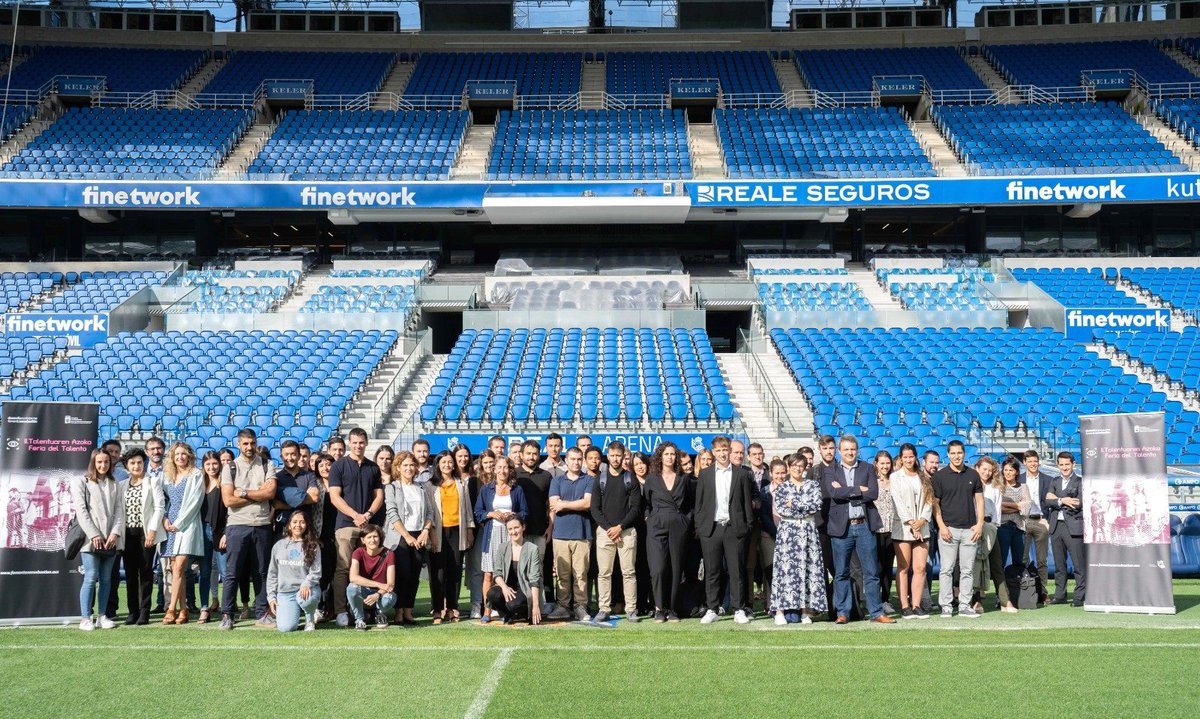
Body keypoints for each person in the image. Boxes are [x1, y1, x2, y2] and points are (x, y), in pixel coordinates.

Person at [823, 435, 893, 625]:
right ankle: (843, 612)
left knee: (871, 572)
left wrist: (846, 489)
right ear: (839, 451)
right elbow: (834, 493)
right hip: (842, 528)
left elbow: (873, 493)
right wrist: (858, 489)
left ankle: (876, 612)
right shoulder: (831, 470)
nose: (850, 452)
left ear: (857, 450)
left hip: (864, 526)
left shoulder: (867, 468)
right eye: (846, 449)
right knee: (841, 573)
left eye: (852, 449)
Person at [219, 429, 277, 630]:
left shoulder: (267, 464)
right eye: (245, 443)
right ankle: (227, 615)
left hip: (262, 524)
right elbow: (228, 500)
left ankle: (261, 613)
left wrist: (243, 492)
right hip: (237, 525)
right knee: (232, 573)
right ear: (238, 444)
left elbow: (270, 493)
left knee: (261, 572)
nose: (249, 447)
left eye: (252, 443)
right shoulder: (230, 467)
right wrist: (258, 494)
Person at [327, 428, 383, 627]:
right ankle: (341, 611)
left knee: (370, 568)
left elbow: (379, 496)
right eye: (355, 442)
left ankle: (366, 610)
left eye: (361, 442)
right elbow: (335, 497)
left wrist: (367, 515)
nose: (358, 446)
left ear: (366, 443)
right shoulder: (338, 466)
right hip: (345, 526)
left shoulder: (373, 468)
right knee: (343, 568)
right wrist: (355, 516)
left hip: (368, 526)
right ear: (349, 443)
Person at [695, 436, 754, 625]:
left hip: (734, 528)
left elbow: (746, 504)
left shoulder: (741, 474)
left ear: (729, 451)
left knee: (737, 571)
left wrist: (747, 526)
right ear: (713, 452)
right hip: (711, 529)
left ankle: (738, 609)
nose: (722, 453)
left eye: (724, 450)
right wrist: (700, 528)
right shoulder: (705, 474)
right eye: (718, 450)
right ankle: (712, 608)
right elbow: (700, 504)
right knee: (712, 571)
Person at [771, 454, 826, 625]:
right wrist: (803, 505)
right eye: (794, 465)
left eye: (801, 465)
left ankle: (804, 611)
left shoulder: (812, 485)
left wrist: (793, 503)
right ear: (788, 467)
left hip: (808, 532)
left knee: (807, 570)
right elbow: (782, 509)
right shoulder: (782, 487)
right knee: (784, 571)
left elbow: (816, 506)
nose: (797, 469)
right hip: (788, 533)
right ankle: (780, 611)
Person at [932, 440, 984, 618]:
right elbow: (935, 505)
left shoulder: (973, 474)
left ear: (964, 454)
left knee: (967, 570)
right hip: (948, 530)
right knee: (946, 569)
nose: (956, 456)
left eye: (959, 453)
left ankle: (964, 605)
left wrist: (979, 524)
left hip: (970, 531)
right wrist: (942, 526)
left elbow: (979, 501)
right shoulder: (939, 476)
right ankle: (946, 606)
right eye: (953, 453)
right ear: (948, 455)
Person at [590, 441, 641, 623]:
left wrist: (620, 527)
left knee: (628, 572)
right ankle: (604, 608)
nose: (615, 459)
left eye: (618, 455)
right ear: (608, 456)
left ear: (623, 456)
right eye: (612, 456)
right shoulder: (600, 479)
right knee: (604, 573)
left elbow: (635, 508)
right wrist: (609, 528)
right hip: (605, 532)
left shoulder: (630, 479)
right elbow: (595, 509)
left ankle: (631, 609)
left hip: (626, 532)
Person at [74, 449, 125, 631]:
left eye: (106, 462)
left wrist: (115, 533)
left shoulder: (114, 483)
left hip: (110, 539)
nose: (103, 465)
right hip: (90, 540)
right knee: (90, 577)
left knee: (106, 579)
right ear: (93, 463)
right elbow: (81, 512)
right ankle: (85, 618)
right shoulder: (82, 481)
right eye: (99, 462)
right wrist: (94, 534)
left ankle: (102, 616)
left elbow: (119, 510)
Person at [643, 442, 692, 623]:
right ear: (660, 457)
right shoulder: (652, 478)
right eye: (666, 454)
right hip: (656, 526)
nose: (670, 457)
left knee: (676, 568)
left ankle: (672, 609)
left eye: (672, 454)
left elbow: (691, 504)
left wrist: (686, 521)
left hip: (678, 526)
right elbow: (646, 503)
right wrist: (649, 518)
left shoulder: (683, 478)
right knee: (658, 568)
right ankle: (658, 608)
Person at [385, 451, 434, 626]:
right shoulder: (392, 487)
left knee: (414, 575)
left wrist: (425, 531)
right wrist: (406, 536)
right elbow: (392, 513)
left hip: (419, 534)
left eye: (412, 465)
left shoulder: (421, 487)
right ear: (398, 467)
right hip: (400, 536)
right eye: (405, 465)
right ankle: (398, 611)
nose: (409, 468)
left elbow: (430, 512)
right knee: (402, 574)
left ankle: (408, 610)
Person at [475, 456, 525, 623]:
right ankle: (487, 611)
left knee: (509, 574)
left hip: (511, 536)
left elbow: (525, 512)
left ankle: (506, 611)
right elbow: (478, 512)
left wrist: (513, 515)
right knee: (488, 575)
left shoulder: (517, 489)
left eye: (505, 468)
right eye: (499, 467)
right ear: (494, 469)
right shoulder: (486, 489)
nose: (502, 471)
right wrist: (491, 514)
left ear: (510, 470)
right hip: (492, 535)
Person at [160, 442, 204, 625]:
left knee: (179, 568)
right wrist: (164, 519)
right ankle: (183, 609)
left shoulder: (196, 474)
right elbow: (162, 500)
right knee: (175, 570)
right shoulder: (167, 476)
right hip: (169, 525)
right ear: (172, 457)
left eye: (184, 454)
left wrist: (179, 524)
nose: (180, 457)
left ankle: (171, 609)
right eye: (177, 454)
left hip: (186, 525)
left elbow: (195, 502)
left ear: (189, 456)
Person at [547, 447, 593, 621]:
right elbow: (554, 504)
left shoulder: (589, 480)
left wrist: (564, 504)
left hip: (582, 534)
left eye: (579, 459)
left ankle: (580, 606)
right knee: (562, 575)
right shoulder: (557, 481)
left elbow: (587, 503)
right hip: (560, 534)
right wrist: (575, 504)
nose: (576, 462)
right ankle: (563, 606)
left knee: (580, 574)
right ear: (566, 461)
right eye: (572, 459)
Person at [430, 449, 474, 623]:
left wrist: (469, 530)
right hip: (438, 532)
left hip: (458, 531)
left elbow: (467, 509)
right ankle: (437, 609)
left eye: (450, 462)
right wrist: (432, 533)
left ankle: (452, 607)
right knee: (438, 573)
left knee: (455, 571)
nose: (447, 465)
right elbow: (428, 512)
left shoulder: (460, 483)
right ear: (438, 465)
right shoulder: (430, 485)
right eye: (443, 462)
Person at [890, 444, 932, 619]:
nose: (908, 460)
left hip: (922, 527)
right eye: (905, 457)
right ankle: (905, 606)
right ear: (901, 458)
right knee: (904, 567)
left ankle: (916, 605)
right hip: (903, 527)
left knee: (920, 568)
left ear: (915, 457)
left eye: (911, 456)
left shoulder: (923, 477)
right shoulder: (895, 477)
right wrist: (911, 523)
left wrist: (921, 520)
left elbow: (929, 500)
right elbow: (898, 502)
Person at [119, 448, 160, 625]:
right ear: (126, 466)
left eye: (139, 462)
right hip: (127, 534)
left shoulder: (153, 482)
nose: (136, 466)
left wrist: (152, 531)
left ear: (144, 463)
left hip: (146, 534)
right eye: (132, 463)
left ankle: (144, 612)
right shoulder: (122, 485)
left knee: (145, 572)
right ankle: (132, 611)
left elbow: (159, 508)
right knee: (130, 574)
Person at [266, 510, 322, 632]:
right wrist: (271, 597)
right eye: (295, 522)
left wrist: (306, 584)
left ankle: (309, 618)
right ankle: (293, 614)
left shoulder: (313, 545)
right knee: (286, 628)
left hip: (306, 589)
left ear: (306, 525)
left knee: (307, 600)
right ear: (289, 525)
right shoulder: (279, 546)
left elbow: (316, 572)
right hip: (285, 592)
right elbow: (272, 573)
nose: (298, 525)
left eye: (302, 522)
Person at [515, 439, 553, 611]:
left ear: (539, 455)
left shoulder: (546, 476)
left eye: (534, 454)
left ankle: (539, 606)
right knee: (519, 569)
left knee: (538, 570)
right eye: (528, 453)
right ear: (521, 455)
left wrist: (550, 527)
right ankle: (521, 605)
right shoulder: (514, 475)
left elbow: (550, 504)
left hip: (539, 531)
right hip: (518, 533)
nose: (531, 457)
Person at [487, 514, 543, 625]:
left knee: (513, 604)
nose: (513, 532)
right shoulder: (502, 548)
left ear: (523, 527)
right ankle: (506, 615)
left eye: (516, 527)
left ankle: (524, 613)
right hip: (508, 588)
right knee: (492, 594)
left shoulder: (532, 549)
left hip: (525, 590)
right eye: (510, 529)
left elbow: (535, 580)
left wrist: (536, 606)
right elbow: (497, 574)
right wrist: (504, 588)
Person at [1046, 452, 1086, 607]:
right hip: (1056, 526)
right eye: (1061, 464)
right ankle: (1060, 595)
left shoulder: (1080, 481)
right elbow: (1047, 501)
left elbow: (1078, 503)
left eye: (1067, 464)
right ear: (1057, 465)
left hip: (1074, 527)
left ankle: (1079, 596)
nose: (1064, 467)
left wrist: (1056, 499)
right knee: (1059, 565)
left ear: (1073, 464)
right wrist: (1063, 500)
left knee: (1078, 564)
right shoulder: (1054, 480)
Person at [995, 457, 1030, 613]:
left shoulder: (1023, 487)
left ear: (1017, 472)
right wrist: (1017, 506)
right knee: (1000, 563)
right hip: (1002, 527)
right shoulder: (998, 486)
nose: (1008, 473)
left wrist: (1007, 506)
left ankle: (1019, 595)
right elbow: (997, 507)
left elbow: (1027, 507)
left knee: (1019, 562)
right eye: (1006, 470)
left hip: (1019, 528)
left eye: (1011, 470)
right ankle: (1001, 597)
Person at [346, 524, 395, 630]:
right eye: (369, 537)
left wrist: (377, 594)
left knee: (390, 597)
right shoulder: (358, 552)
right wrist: (379, 584)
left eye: (375, 536)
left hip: (381, 593)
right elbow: (353, 578)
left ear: (380, 538)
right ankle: (359, 619)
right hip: (364, 592)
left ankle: (380, 614)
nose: (372, 540)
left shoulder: (389, 553)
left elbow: (390, 584)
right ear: (363, 540)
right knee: (351, 587)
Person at [971, 456, 1004, 613]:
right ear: (977, 468)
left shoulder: (995, 487)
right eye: (984, 469)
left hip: (990, 527)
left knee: (997, 564)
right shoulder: (970, 484)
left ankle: (1004, 600)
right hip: (974, 527)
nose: (987, 473)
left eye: (990, 470)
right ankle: (975, 600)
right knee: (975, 565)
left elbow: (997, 509)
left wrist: (994, 526)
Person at [197, 451, 227, 624]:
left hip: (219, 531)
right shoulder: (200, 483)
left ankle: (227, 609)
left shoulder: (225, 483)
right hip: (201, 531)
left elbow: (230, 510)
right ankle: (204, 608)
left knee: (225, 572)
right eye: (208, 464)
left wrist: (226, 533)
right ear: (203, 466)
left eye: (215, 463)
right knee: (205, 572)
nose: (212, 467)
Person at [1022, 449, 1054, 605]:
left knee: (1042, 560)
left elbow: (1052, 501)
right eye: (1030, 461)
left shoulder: (1048, 479)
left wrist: (1047, 520)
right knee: (1022, 559)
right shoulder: (1019, 478)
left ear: (1038, 462)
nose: (1033, 464)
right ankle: (1023, 591)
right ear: (1024, 462)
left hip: (1041, 521)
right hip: (1024, 521)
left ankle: (1043, 592)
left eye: (1035, 461)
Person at [271, 440, 319, 538]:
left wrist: (286, 501)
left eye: (293, 454)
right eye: (286, 455)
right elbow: (275, 504)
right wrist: (304, 496)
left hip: (305, 530)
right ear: (281, 457)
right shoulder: (276, 478)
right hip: (283, 528)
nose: (290, 458)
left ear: (298, 455)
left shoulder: (309, 476)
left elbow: (314, 497)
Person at [312, 453, 337, 622]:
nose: (325, 468)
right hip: (320, 536)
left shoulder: (339, 484)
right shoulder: (315, 485)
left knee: (337, 573)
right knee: (322, 574)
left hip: (338, 534)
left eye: (328, 464)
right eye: (321, 465)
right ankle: (320, 607)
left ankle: (334, 607)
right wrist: (314, 536)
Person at [873, 451, 896, 615]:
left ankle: (885, 599)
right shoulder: (871, 482)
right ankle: (874, 600)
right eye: (882, 463)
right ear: (876, 464)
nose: (885, 466)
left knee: (888, 567)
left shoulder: (895, 481)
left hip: (892, 530)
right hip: (876, 530)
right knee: (876, 568)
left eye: (887, 463)